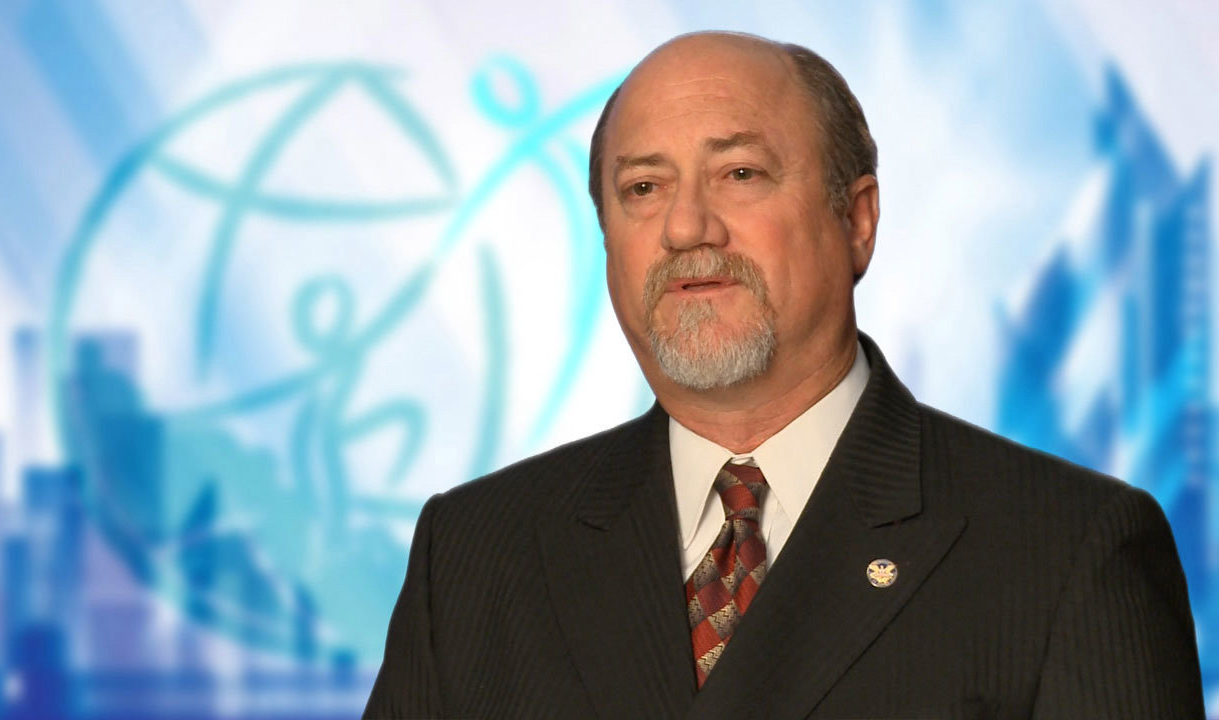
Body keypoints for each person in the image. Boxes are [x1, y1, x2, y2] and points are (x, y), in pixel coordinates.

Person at [363, 31, 1204, 719]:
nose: (686, 227)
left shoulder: (1067, 553)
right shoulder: (474, 556)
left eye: (740, 174)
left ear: (858, 220)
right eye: (644, 187)